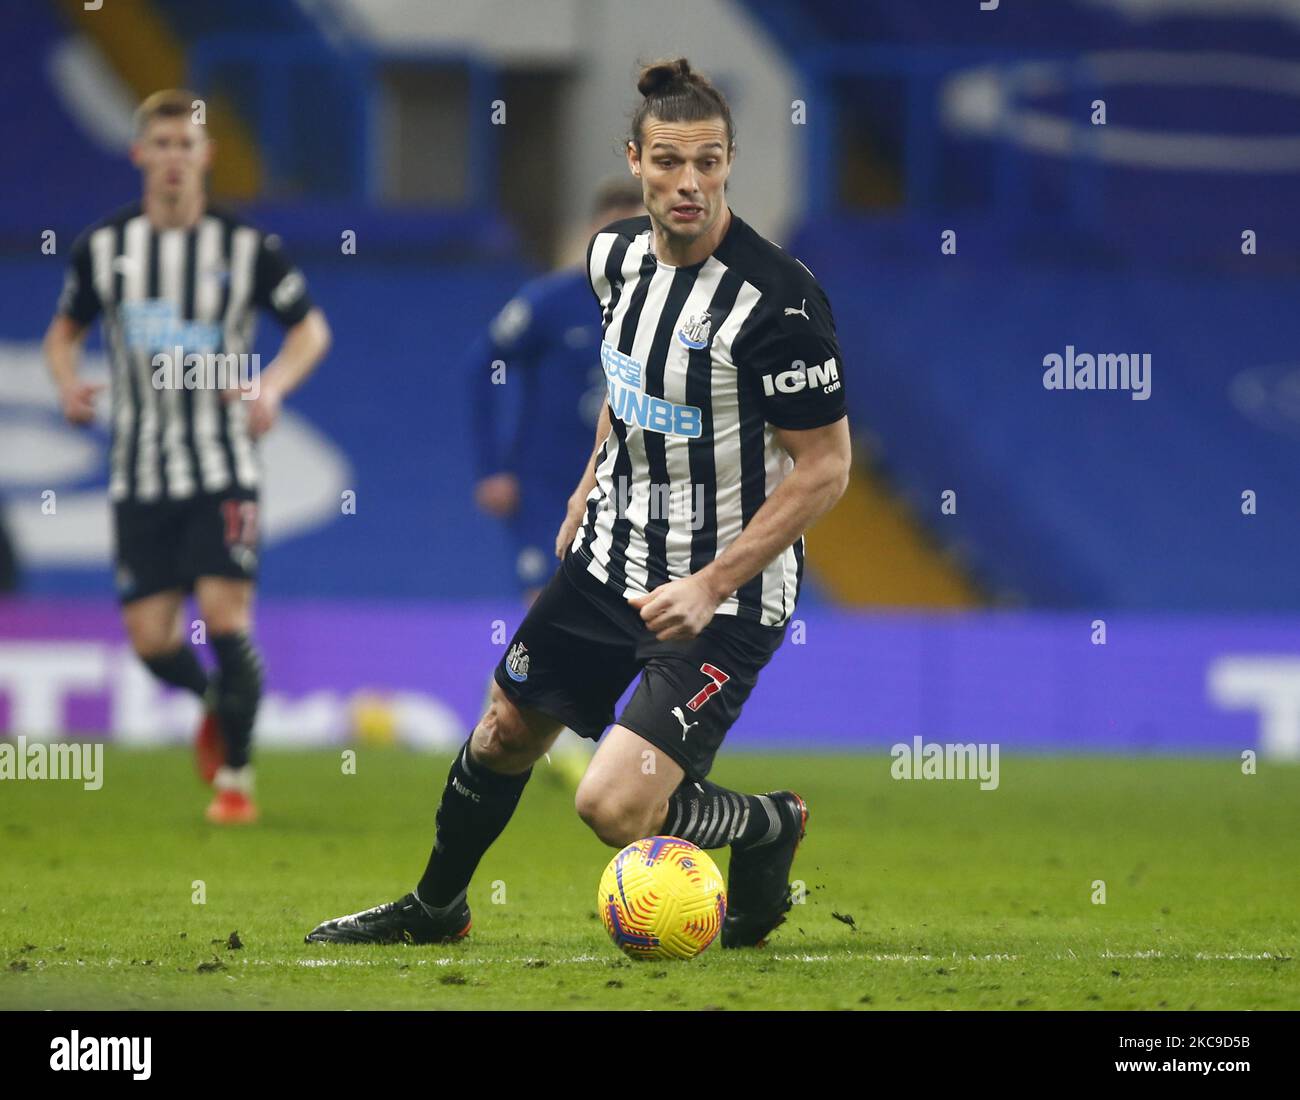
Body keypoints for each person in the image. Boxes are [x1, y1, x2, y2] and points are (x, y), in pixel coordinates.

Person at [307, 57, 850, 948]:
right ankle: (436, 909)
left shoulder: (778, 302)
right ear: (632, 160)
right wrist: (585, 484)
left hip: (721, 596)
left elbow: (826, 467)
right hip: (610, 555)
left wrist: (712, 583)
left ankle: (767, 824)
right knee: (504, 729)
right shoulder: (611, 259)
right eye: (669, 162)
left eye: (709, 162)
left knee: (611, 806)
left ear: (730, 163)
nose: (690, 184)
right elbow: (625, 381)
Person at [43, 89, 331, 824]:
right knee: (149, 640)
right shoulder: (105, 249)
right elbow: (62, 334)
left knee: (225, 615)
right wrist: (68, 385)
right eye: (161, 145)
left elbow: (310, 331)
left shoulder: (247, 249)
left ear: (206, 155)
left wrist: (272, 387)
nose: (174, 158)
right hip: (139, 471)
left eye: (186, 145)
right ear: (141, 154)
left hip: (222, 465)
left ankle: (236, 780)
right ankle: (214, 703)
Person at [471, 178, 645, 788]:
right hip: (548, 485)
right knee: (545, 604)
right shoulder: (549, 301)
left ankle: (528, 724)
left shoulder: (662, 307)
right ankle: (544, 734)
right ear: (591, 237)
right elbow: (483, 365)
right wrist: (493, 464)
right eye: (612, 232)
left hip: (628, 488)